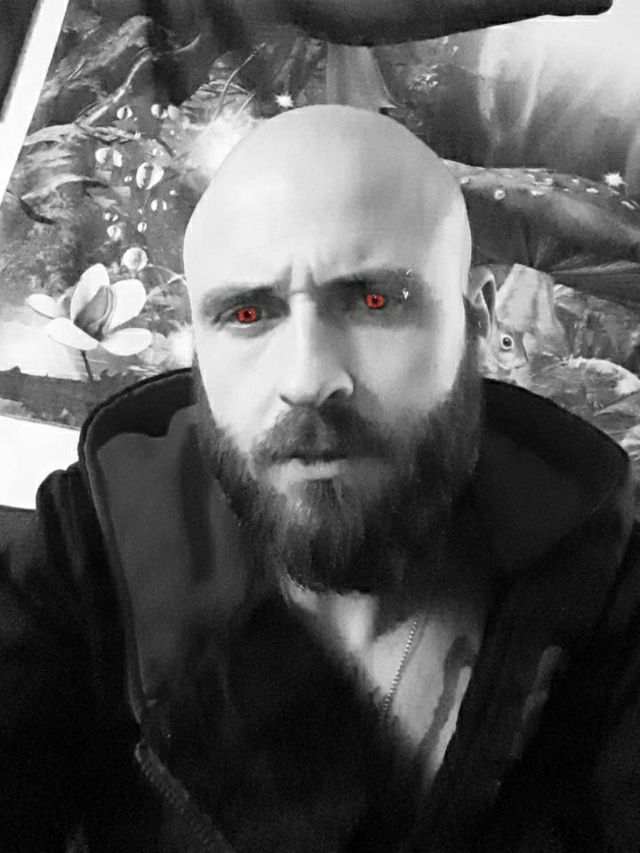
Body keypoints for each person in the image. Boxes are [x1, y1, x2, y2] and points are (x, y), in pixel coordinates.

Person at [1, 104, 639, 853]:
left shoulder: (614, 590)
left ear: (476, 322)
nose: (307, 378)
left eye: (375, 301)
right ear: (200, 348)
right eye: (247, 313)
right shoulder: (83, 561)